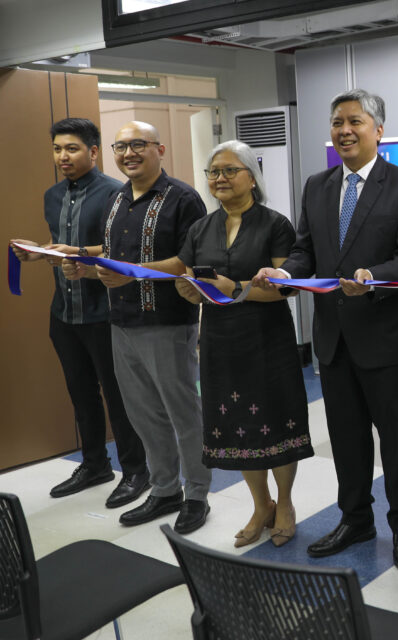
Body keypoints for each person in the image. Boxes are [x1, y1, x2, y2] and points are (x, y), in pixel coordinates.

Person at [252, 90, 398, 569]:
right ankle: (355, 519)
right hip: (333, 338)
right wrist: (287, 273)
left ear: (378, 129)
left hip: (388, 337)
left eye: (355, 121)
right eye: (336, 122)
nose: (344, 130)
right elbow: (305, 249)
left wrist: (374, 279)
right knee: (346, 439)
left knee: (396, 439)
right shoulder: (318, 185)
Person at [63, 121, 212, 534]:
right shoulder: (117, 198)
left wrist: (133, 274)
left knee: (183, 412)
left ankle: (197, 493)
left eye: (138, 145)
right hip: (122, 321)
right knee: (143, 413)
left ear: (159, 149)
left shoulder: (182, 198)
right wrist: (83, 263)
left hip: (167, 322)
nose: (129, 153)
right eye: (121, 146)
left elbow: (188, 262)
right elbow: (113, 253)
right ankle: (165, 489)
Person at [175, 140, 313, 548]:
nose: (218, 178)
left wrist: (232, 288)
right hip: (219, 341)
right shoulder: (200, 228)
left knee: (277, 421)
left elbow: (283, 290)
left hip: (266, 339)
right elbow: (189, 276)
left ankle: (285, 503)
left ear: (252, 177)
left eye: (228, 170)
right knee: (237, 427)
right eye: (213, 171)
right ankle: (261, 505)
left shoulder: (275, 225)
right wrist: (191, 291)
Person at [10, 118, 148, 508]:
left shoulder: (116, 194)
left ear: (93, 151)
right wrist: (40, 251)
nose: (62, 156)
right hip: (65, 313)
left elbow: (121, 253)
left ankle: (136, 470)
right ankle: (94, 464)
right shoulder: (52, 195)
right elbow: (62, 244)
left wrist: (76, 255)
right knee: (81, 393)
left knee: (118, 395)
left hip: (104, 312)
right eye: (57, 149)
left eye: (71, 148)